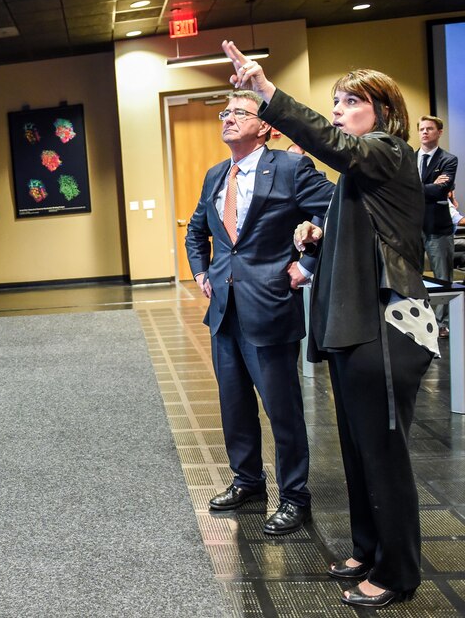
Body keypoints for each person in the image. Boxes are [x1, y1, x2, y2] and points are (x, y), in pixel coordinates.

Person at [223, 40, 436, 608]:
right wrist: (316, 238)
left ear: (383, 112)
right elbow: (359, 233)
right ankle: (368, 550)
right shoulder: (360, 175)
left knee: (383, 456)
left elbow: (334, 144)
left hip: (384, 330)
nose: (338, 109)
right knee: (358, 450)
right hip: (350, 327)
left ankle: (398, 572)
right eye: (336, 100)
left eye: (350, 101)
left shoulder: (386, 151)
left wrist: (266, 93)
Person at [185, 90, 334, 537]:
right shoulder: (216, 174)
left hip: (270, 307)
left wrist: (306, 266)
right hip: (224, 312)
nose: (227, 119)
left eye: (238, 113)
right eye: (224, 113)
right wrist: (200, 272)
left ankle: (294, 498)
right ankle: (248, 481)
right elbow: (197, 231)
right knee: (233, 405)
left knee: (281, 409)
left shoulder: (291, 168)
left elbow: (335, 212)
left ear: (265, 125)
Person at [417, 115, 457, 336]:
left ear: (439, 132)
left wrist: (414, 187)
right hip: (413, 228)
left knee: (442, 278)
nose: (424, 132)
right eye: (421, 129)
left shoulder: (448, 160)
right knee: (413, 275)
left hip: (438, 227)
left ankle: (442, 324)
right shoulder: (410, 158)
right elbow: (402, 189)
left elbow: (442, 190)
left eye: (429, 128)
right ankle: (419, 320)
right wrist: (428, 186)